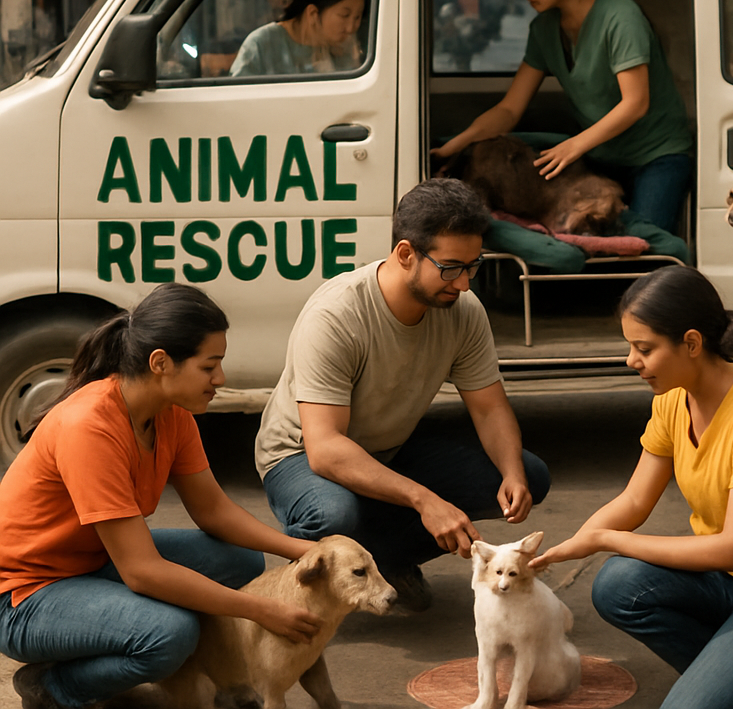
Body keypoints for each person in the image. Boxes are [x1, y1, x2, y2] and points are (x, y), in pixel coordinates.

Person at [531, 265, 733, 709]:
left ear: (692, 343)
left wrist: (609, 539)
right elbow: (634, 499)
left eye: (644, 348)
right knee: (617, 585)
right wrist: (577, 543)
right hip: (729, 581)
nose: (631, 361)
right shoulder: (672, 398)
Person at [0, 284, 320, 709]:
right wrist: (260, 609)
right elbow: (142, 572)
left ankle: (193, 665)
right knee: (169, 634)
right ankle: (56, 688)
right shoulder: (88, 426)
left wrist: (306, 550)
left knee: (241, 561)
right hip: (25, 595)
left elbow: (213, 510)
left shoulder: (170, 414)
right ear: (161, 363)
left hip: (93, 562)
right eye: (210, 366)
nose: (219, 379)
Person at [255, 177, 550, 612]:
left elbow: (489, 408)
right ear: (406, 254)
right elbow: (325, 449)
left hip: (386, 448)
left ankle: (386, 560)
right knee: (335, 516)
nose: (464, 284)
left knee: (530, 473)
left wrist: (512, 474)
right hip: (298, 454)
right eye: (451, 268)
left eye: (474, 266)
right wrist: (425, 501)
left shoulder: (463, 310)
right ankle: (299, 590)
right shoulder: (337, 314)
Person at [432, 0, 692, 233]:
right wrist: (453, 147)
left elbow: (635, 103)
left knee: (646, 248)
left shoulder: (621, 17)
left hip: (657, 155)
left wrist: (573, 147)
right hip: (602, 155)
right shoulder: (543, 30)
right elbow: (509, 110)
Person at [231, 0, 366, 77]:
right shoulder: (262, 43)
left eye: (357, 16)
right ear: (313, 13)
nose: (351, 28)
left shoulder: (345, 48)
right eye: (344, 15)